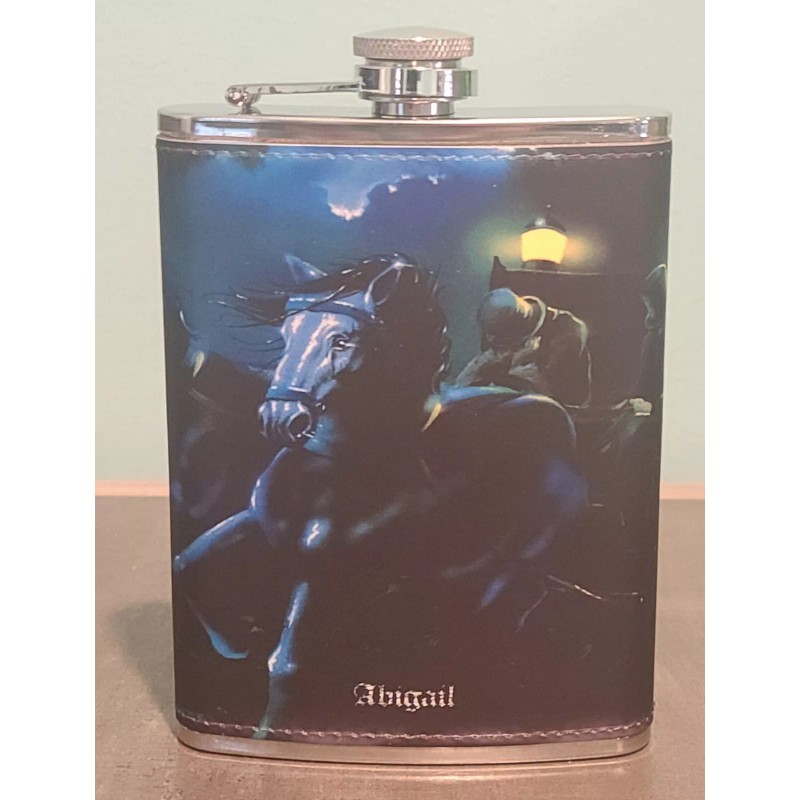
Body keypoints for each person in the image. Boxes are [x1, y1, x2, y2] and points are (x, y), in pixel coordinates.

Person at [456, 288, 591, 407]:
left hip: (561, 410)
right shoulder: (503, 328)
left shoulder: (568, 330)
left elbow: (545, 389)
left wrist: (516, 364)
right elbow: (465, 381)